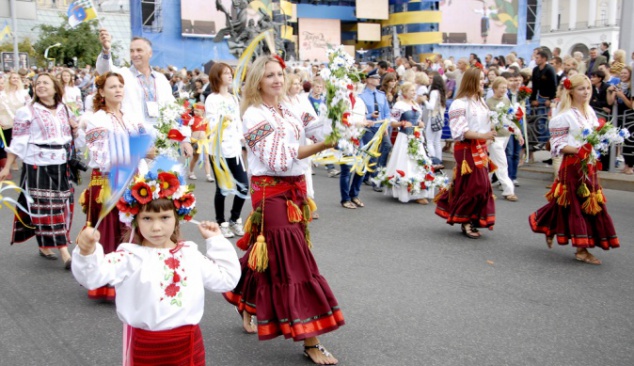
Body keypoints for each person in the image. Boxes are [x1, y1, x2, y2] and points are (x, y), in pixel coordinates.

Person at [224, 55, 343, 365]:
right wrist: (321, 146)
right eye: (269, 76)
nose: (277, 80)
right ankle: (311, 339)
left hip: (294, 192)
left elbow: (314, 128)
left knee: (271, 255)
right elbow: (279, 159)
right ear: (257, 81)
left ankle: (243, 299)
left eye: (279, 74)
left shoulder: (289, 107)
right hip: (270, 192)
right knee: (294, 262)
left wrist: (337, 106)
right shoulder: (252, 116)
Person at [72, 169, 241, 365]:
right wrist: (87, 252)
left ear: (177, 217)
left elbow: (227, 279)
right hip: (147, 347)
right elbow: (92, 277)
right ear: (135, 220)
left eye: (164, 218)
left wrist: (216, 241)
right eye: (147, 219)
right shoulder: (129, 258)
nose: (156, 227)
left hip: (188, 345)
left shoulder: (190, 254)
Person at [529, 74, 620, 265]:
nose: (586, 92)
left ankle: (544, 223)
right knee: (579, 204)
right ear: (571, 92)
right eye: (581, 89)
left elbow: (595, 138)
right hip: (573, 166)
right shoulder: (563, 116)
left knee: (571, 204)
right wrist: (580, 150)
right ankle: (581, 249)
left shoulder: (590, 112)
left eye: (588, 88)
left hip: (590, 164)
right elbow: (556, 145)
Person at [80, 72, 149, 300]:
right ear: (101, 92)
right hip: (108, 181)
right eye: (112, 87)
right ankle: (108, 281)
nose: (118, 90)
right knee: (109, 229)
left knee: (132, 229)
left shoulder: (130, 118)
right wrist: (134, 152)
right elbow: (101, 156)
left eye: (120, 86)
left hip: (132, 180)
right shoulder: (97, 119)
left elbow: (147, 144)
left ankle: (129, 276)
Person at [0, 73, 78, 268]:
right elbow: (17, 142)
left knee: (61, 205)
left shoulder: (65, 110)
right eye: (38, 83)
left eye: (45, 83)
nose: (41, 86)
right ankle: (64, 252)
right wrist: (7, 166)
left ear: (55, 88)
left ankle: (45, 244)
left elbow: (74, 134)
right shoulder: (27, 112)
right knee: (48, 208)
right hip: (38, 165)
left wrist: (76, 129)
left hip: (61, 164)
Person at [96, 29, 193, 158]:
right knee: (137, 178)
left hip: (160, 143)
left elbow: (173, 111)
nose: (135, 54)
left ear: (150, 53)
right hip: (134, 142)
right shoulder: (123, 75)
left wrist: (184, 139)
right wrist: (106, 50)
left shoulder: (161, 79)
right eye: (132, 51)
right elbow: (104, 70)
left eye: (139, 50)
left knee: (161, 177)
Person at [435, 68, 496, 239]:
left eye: (484, 79)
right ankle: (465, 219)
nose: (483, 82)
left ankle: (472, 218)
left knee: (480, 184)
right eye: (481, 79)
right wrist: (482, 135)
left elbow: (485, 125)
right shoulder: (459, 103)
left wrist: (491, 132)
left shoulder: (481, 101)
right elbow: (459, 131)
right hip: (466, 148)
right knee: (476, 185)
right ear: (472, 81)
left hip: (481, 146)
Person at [204, 62, 248, 239]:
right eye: (226, 73)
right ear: (217, 76)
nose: (230, 76)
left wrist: (242, 136)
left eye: (231, 73)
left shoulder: (233, 98)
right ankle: (221, 222)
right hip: (218, 150)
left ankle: (235, 218)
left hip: (235, 149)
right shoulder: (212, 99)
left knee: (243, 186)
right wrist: (224, 120)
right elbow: (211, 124)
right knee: (222, 188)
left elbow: (239, 121)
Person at [382, 82, 432, 204]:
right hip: (405, 137)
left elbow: (417, 119)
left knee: (418, 162)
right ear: (404, 92)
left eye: (415, 90)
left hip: (416, 136)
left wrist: (420, 123)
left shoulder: (415, 104)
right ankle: (405, 191)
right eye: (411, 91)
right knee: (405, 162)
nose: (414, 93)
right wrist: (402, 123)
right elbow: (392, 122)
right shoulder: (399, 105)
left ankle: (419, 191)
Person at [285, 73, 320, 217]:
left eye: (299, 83)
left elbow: (312, 120)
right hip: (288, 143)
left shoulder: (302, 100)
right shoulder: (281, 101)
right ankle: (291, 204)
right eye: (294, 83)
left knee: (305, 171)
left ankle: (308, 203)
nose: (298, 86)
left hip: (302, 141)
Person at [486, 77, 524, 202]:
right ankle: (509, 190)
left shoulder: (507, 101)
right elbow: (486, 120)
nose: (504, 90)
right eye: (502, 87)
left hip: (505, 135)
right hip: (495, 137)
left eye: (505, 87)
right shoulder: (488, 102)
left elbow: (511, 119)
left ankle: (485, 187)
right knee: (502, 162)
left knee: (492, 162)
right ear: (495, 88)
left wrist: (518, 133)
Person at [359, 69, 392, 192]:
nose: (378, 80)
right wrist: (369, 116)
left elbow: (387, 113)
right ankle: (375, 179)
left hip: (381, 127)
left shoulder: (381, 95)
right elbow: (360, 114)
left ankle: (376, 172)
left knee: (387, 146)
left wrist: (386, 125)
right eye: (375, 78)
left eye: (378, 78)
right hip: (369, 127)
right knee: (372, 153)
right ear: (368, 80)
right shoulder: (361, 96)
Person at [0, 72, 31, 177]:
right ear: (9, 80)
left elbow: (29, 104)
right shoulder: (4, 93)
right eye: (13, 78)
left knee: (25, 140)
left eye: (17, 78)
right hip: (8, 120)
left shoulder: (23, 92)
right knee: (9, 141)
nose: (15, 79)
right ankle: (11, 160)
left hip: (22, 120)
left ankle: (24, 160)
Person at [529, 49, 558, 150]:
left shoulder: (550, 69)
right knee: (540, 120)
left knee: (546, 120)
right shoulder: (535, 70)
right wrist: (533, 99)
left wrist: (550, 99)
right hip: (540, 96)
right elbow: (534, 86)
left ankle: (545, 141)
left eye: (537, 58)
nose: (536, 60)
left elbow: (554, 85)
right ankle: (542, 141)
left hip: (548, 98)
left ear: (544, 59)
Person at [421, 72, 446, 163]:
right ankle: (439, 160)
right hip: (440, 118)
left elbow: (430, 106)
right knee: (437, 142)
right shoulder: (441, 92)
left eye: (431, 78)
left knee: (430, 141)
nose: (429, 79)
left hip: (433, 118)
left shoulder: (434, 92)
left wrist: (424, 101)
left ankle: (433, 161)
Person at [188, 103, 214, 182]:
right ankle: (191, 172)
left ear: (203, 111)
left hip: (204, 141)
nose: (195, 112)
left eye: (197, 110)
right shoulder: (192, 119)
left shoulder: (205, 120)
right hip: (195, 141)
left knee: (206, 158)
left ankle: (208, 175)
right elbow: (188, 128)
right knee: (195, 157)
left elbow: (208, 130)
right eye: (194, 110)